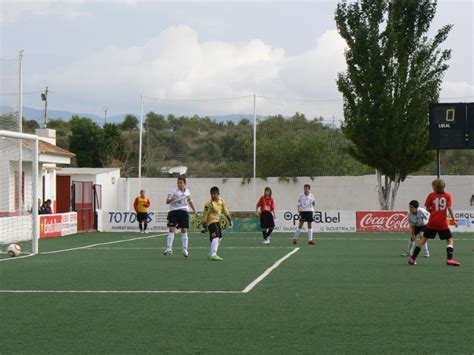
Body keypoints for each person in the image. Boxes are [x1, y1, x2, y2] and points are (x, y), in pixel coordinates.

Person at [409, 179, 460, 266]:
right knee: (449, 240)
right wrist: (453, 219)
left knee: (423, 239)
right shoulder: (448, 196)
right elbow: (449, 208)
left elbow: (427, 208)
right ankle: (449, 259)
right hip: (442, 223)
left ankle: (412, 258)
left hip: (432, 222)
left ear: (435, 187)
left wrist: (433, 212)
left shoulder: (431, 195)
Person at [164, 176, 198, 257]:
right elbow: (167, 201)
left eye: (181, 183)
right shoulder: (173, 191)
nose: (179, 184)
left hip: (184, 212)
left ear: (184, 184)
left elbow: (190, 201)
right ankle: (169, 248)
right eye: (178, 183)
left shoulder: (187, 192)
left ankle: (185, 250)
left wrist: (195, 211)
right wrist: (171, 199)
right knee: (172, 229)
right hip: (174, 212)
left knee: (184, 230)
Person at [202, 186, 232, 261]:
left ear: (218, 194)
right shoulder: (208, 204)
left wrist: (230, 220)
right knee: (216, 237)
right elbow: (205, 215)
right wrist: (204, 225)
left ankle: (210, 253)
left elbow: (226, 212)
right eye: (211, 194)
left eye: (214, 194)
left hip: (217, 221)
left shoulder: (221, 201)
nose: (212, 195)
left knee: (220, 238)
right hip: (211, 222)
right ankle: (213, 254)